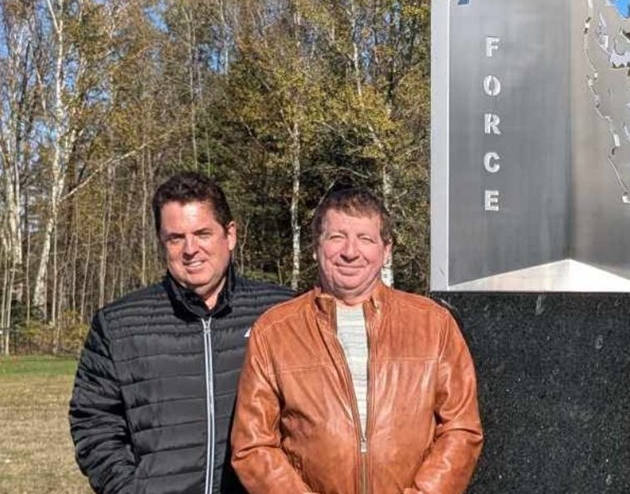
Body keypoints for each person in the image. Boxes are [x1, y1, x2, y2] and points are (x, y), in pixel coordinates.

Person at [231, 187, 483, 494]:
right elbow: (252, 445)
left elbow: (461, 428)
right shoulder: (274, 332)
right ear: (316, 246)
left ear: (386, 250)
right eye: (337, 237)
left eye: (365, 238)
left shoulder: (433, 324)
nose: (350, 251)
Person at [69, 172, 292, 494]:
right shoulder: (119, 324)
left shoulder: (280, 313)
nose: (191, 249)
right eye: (175, 238)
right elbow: (94, 425)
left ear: (229, 235)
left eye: (202, 233)